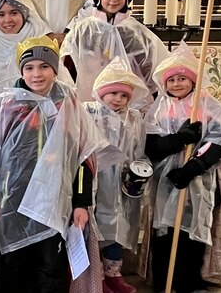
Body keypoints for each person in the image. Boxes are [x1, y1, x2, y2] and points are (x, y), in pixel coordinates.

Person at [0, 35, 106, 292]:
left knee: (50, 268)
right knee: (12, 266)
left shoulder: (68, 104)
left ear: (55, 70)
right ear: (21, 70)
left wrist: (81, 203)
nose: (37, 74)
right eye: (29, 67)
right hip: (12, 204)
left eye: (44, 66)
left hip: (54, 204)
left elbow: (82, 158)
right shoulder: (8, 105)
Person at [145, 42, 221, 292]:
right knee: (164, 235)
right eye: (172, 80)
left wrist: (193, 167)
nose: (177, 84)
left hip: (198, 182)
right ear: (164, 84)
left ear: (193, 81)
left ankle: (188, 281)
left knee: (192, 235)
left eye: (183, 79)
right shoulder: (158, 110)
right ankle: (164, 281)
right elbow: (151, 145)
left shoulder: (208, 106)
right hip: (165, 182)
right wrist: (179, 139)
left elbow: (219, 142)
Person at [86, 57, 150, 293]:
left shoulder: (133, 119)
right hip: (96, 181)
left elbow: (138, 150)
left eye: (124, 95)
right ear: (101, 94)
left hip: (121, 183)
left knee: (118, 229)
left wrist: (137, 172)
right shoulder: (89, 112)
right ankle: (97, 276)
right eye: (113, 93)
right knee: (97, 227)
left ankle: (113, 273)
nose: (118, 99)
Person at [62, 0, 167, 105]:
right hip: (89, 103)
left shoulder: (138, 33)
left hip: (127, 104)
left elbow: (152, 69)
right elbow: (67, 68)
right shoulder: (82, 30)